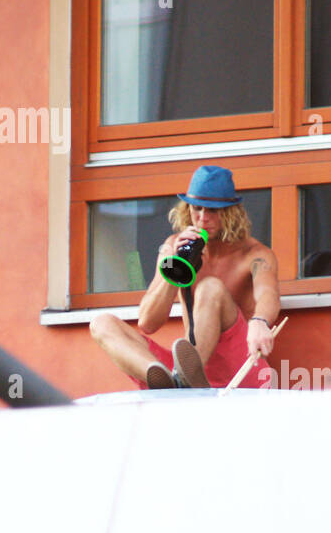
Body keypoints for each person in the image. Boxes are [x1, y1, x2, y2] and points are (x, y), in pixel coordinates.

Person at [89, 165, 280, 390]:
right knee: (101, 324)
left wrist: (260, 322)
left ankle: (183, 379)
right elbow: (148, 323)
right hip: (190, 369)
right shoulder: (173, 246)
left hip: (240, 369)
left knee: (210, 287)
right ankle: (172, 383)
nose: (202, 218)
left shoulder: (255, 254)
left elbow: (268, 294)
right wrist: (174, 267)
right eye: (196, 209)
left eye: (212, 211)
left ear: (231, 213)